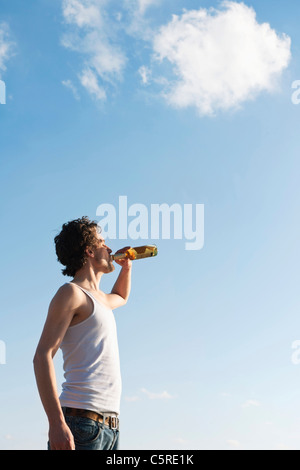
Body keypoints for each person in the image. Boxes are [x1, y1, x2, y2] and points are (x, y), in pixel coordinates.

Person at [33, 216, 132, 450]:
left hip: (110, 427)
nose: (109, 249)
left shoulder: (101, 300)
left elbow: (121, 297)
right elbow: (42, 356)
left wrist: (126, 268)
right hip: (81, 424)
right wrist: (56, 423)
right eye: (102, 242)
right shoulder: (71, 293)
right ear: (89, 250)